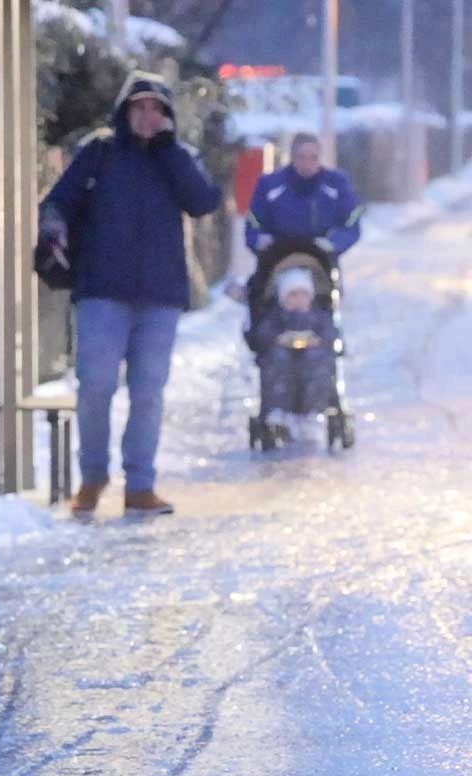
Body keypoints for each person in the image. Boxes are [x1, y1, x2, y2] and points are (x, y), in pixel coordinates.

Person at [39, 72, 222, 518]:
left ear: (167, 115)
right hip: (101, 290)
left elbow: (203, 201)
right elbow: (58, 200)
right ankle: (93, 475)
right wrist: (53, 227)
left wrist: (170, 149)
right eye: (138, 107)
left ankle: (141, 484)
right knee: (95, 386)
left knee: (149, 392)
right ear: (124, 111)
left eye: (156, 109)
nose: (146, 116)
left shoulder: (178, 157)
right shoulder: (99, 153)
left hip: (160, 295)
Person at [250, 266, 340, 433]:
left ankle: (314, 409)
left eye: (303, 294)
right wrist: (277, 339)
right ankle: (278, 409)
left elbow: (330, 332)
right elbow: (263, 332)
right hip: (284, 355)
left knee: (320, 362)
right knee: (276, 362)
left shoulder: (317, 316)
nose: (298, 299)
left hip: (311, 355)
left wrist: (319, 340)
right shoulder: (276, 316)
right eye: (293, 295)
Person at [246, 132, 362, 261]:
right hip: (277, 255)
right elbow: (253, 220)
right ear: (292, 157)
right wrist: (260, 240)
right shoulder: (269, 184)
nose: (307, 164)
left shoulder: (336, 183)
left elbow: (352, 219)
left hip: (322, 256)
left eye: (313, 158)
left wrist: (334, 242)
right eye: (301, 157)